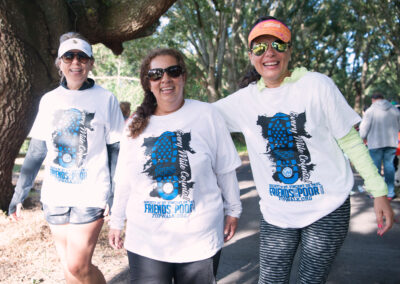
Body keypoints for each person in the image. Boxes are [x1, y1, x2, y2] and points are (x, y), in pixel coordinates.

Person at [213, 16, 394, 283]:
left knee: (311, 280)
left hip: (327, 207)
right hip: (277, 212)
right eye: (260, 48)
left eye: (277, 44)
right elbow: (199, 119)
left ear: (289, 49)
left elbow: (351, 141)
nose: (269, 53)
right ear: (251, 55)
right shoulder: (244, 101)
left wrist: (379, 192)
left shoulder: (317, 85)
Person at [108, 48, 242, 284]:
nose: (165, 79)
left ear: (183, 76)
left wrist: (233, 209)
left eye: (173, 71)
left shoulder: (206, 115)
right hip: (146, 240)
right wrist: (117, 221)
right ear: (148, 83)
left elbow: (225, 168)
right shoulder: (135, 124)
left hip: (198, 238)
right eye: (156, 74)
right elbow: (125, 179)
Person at [8, 32, 125, 284]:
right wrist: (20, 193)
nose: (75, 63)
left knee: (78, 265)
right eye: (69, 57)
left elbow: (117, 150)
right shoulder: (49, 101)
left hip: (91, 192)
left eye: (82, 57)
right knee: (68, 269)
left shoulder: (106, 99)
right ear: (59, 63)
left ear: (91, 63)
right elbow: (37, 151)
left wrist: (115, 195)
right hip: (55, 194)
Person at [359, 93, 400, 200]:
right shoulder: (394, 110)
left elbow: (363, 128)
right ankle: (390, 193)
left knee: (375, 168)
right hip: (391, 142)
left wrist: (362, 138)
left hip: (375, 143)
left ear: (373, 100)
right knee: (389, 166)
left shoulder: (370, 111)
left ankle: (376, 192)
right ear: (383, 99)